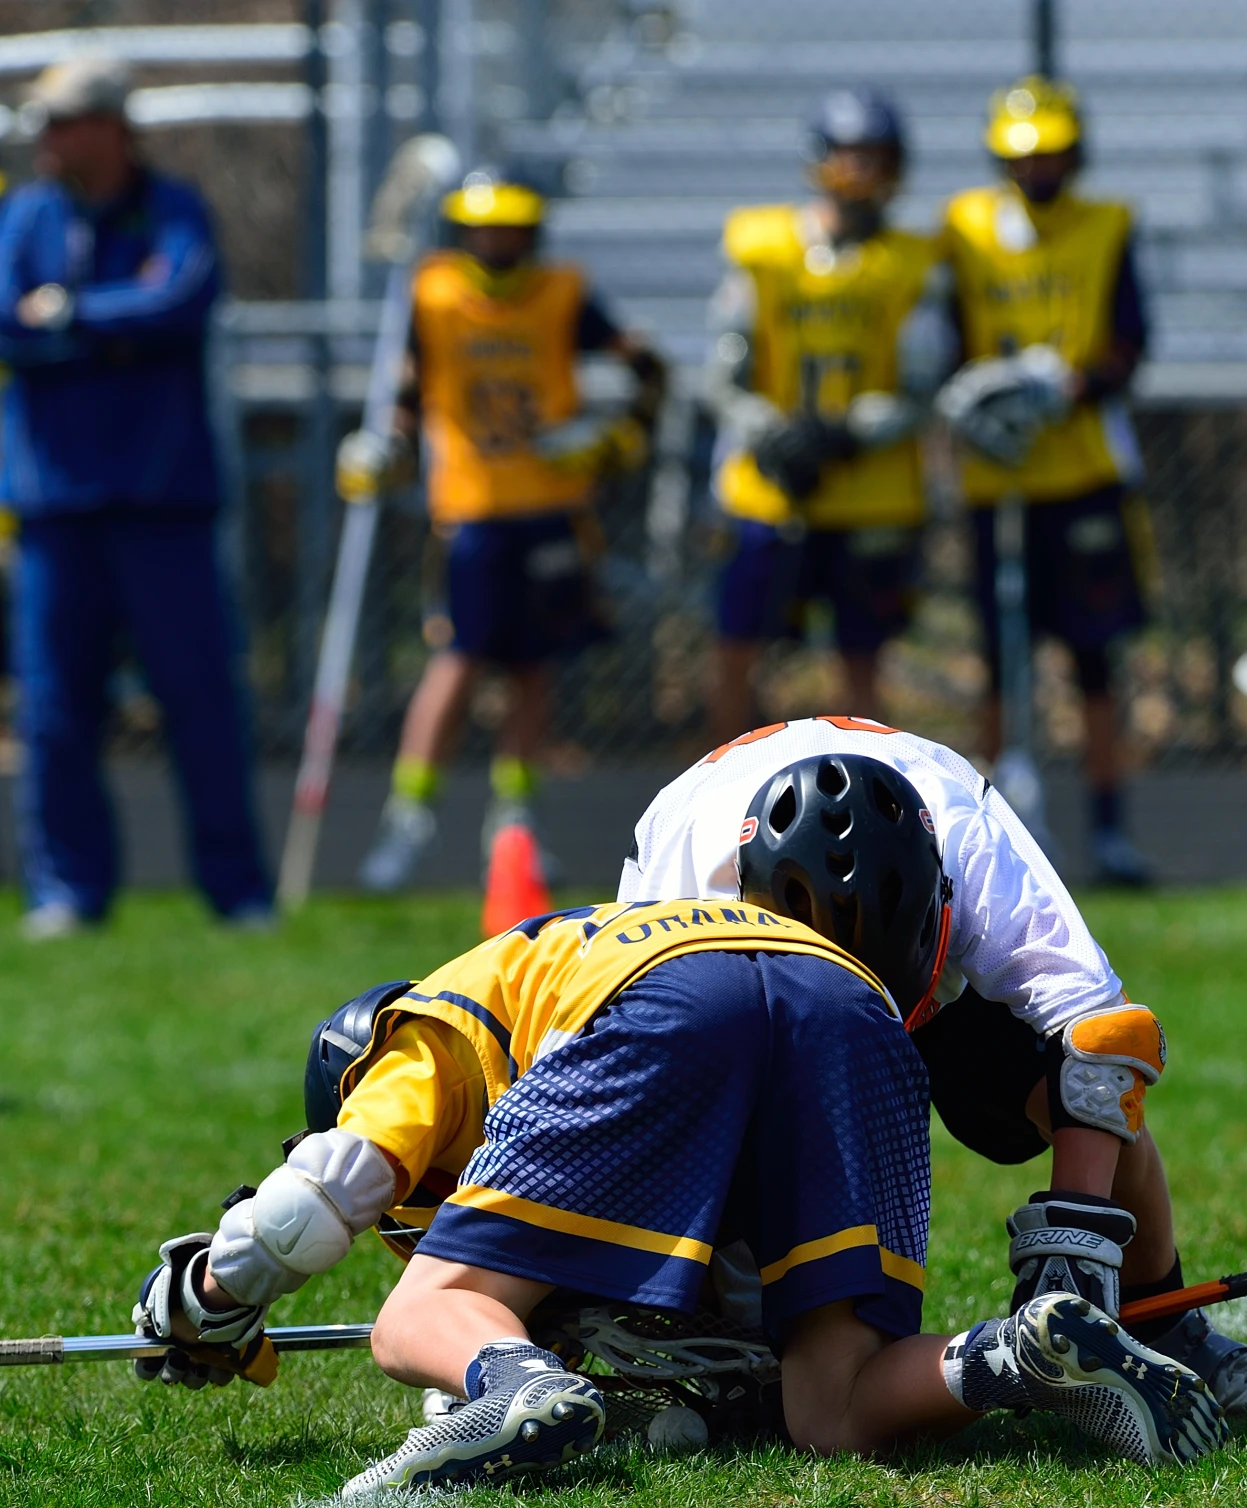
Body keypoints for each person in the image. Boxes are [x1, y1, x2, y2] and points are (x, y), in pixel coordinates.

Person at [130, 758, 1228, 1488]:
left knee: (431, 1308)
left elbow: (318, 1196)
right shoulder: (604, 923)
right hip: (857, 1007)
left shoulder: (422, 1034)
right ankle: (1016, 1355)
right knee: (831, 1404)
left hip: (673, 995)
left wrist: (206, 1297)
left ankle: (513, 1388)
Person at [622, 715, 1247, 1417]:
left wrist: (1077, 1232)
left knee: (1059, 1082)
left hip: (936, 991)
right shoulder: (681, 889)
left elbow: (1106, 1036)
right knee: (723, 1164)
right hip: (776, 1004)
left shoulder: (973, 843)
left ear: (943, 892)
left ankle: (1167, 1327)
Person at [0, 56, 272, 938]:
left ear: (112, 126)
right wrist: (111, 327)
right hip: (54, 506)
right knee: (54, 709)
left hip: (162, 505)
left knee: (198, 698)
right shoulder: (28, 214)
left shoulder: (173, 207)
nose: (46, 140)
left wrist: (72, 317)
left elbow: (180, 301)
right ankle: (68, 892)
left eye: (63, 122)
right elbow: (8, 319)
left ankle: (238, 894)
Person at [344, 173, 665, 895]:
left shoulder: (561, 294)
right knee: (457, 662)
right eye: (484, 231)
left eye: (511, 231)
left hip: (551, 509)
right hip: (470, 511)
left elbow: (647, 369)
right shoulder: (431, 295)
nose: (498, 244)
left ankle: (516, 825)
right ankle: (409, 817)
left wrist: (612, 440)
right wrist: (384, 448)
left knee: (533, 669)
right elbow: (403, 388)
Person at [939, 77, 1155, 888]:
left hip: (1082, 471)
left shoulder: (1107, 226)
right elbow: (943, 339)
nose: (1041, 170)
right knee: (1000, 663)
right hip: (996, 479)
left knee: (1096, 659)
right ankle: (986, 839)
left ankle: (1109, 833)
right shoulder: (962, 228)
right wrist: (977, 394)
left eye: (1055, 153)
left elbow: (1132, 345)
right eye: (1027, 157)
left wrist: (1063, 388)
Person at [703, 87, 953, 741]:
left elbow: (923, 384)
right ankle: (717, 810)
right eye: (848, 156)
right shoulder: (761, 248)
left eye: (874, 158)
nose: (860, 174)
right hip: (770, 488)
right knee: (736, 649)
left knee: (863, 663)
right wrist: (772, 432)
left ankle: (869, 806)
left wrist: (845, 434)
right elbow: (725, 371)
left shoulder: (914, 263)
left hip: (870, 489)